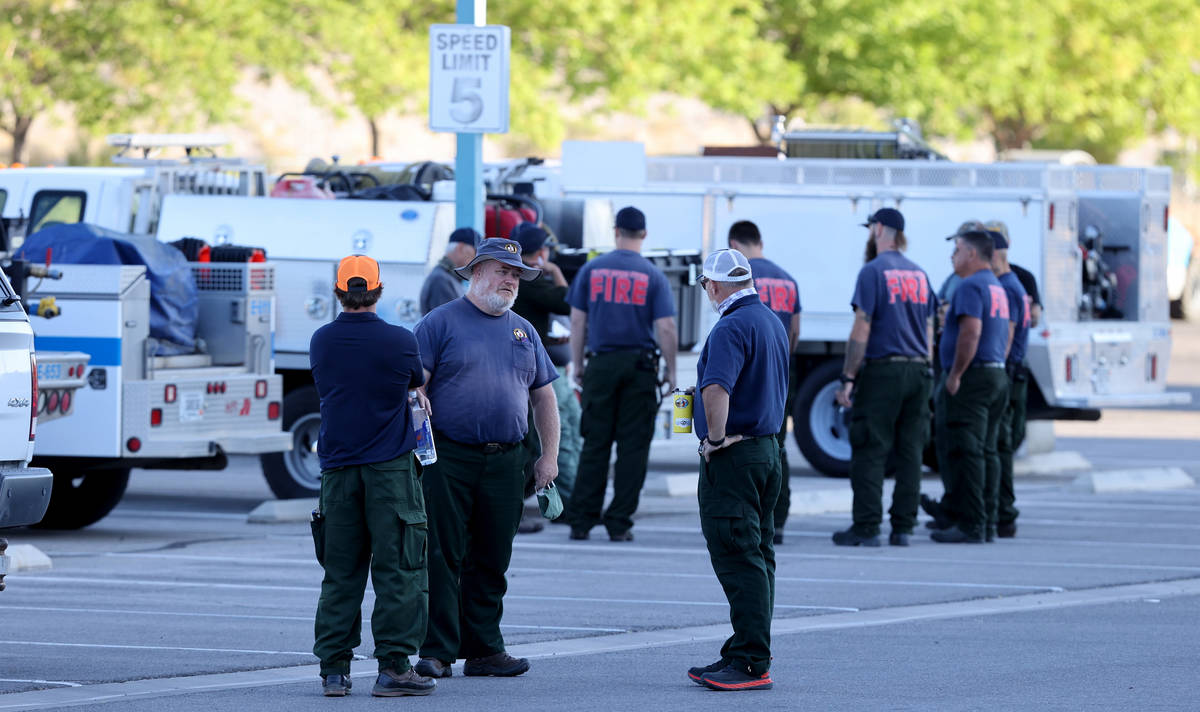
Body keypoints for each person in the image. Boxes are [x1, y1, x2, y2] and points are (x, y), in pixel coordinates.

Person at [413, 238, 560, 679]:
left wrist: (548, 459)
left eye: (516, 273)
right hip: (449, 458)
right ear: (475, 272)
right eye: (502, 270)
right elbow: (413, 385)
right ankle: (437, 650)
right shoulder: (439, 324)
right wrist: (416, 395)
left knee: (493, 556)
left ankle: (484, 650)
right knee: (442, 555)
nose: (511, 279)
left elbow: (545, 398)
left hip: (506, 461)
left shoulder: (524, 330)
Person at [309, 255, 436, 697]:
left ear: (339, 290)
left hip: (338, 471)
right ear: (379, 290)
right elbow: (415, 378)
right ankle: (394, 668)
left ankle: (334, 671)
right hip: (389, 472)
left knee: (341, 572)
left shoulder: (321, 341)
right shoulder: (399, 341)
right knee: (398, 569)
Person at [687, 248, 788, 691]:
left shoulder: (730, 326)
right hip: (767, 450)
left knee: (738, 556)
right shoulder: (770, 321)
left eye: (707, 285)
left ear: (714, 284)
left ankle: (749, 661)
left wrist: (714, 438)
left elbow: (716, 388)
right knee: (758, 555)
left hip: (736, 456)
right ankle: (746, 648)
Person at [567, 206, 677, 542]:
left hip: (601, 365)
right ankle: (619, 522)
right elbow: (667, 327)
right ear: (643, 235)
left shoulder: (592, 270)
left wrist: (579, 364)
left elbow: (577, 321)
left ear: (616, 232)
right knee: (633, 448)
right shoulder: (653, 275)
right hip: (639, 368)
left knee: (595, 444)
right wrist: (671, 371)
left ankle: (582, 521)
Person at [832, 208, 936, 548]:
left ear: (878, 229)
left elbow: (862, 326)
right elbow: (931, 328)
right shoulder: (920, 274)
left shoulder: (873, 271)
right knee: (910, 452)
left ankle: (866, 526)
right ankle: (903, 528)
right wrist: (928, 368)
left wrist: (848, 376)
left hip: (884, 371)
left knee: (870, 448)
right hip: (919, 369)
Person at [928, 229, 1010, 544]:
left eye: (957, 250)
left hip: (973, 376)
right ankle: (986, 521)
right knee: (987, 450)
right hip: (994, 373)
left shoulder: (970, 285)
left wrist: (956, 374)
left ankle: (972, 523)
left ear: (972, 254)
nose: (953, 256)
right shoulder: (995, 285)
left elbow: (971, 333)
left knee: (968, 451)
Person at [727, 220, 800, 545]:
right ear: (760, 241)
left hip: (746, 374)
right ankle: (777, 519)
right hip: (780, 372)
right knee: (777, 447)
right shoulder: (788, 278)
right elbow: (795, 331)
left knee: (742, 445)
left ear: (734, 244)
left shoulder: (740, 276)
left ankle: (746, 518)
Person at [510, 222, 581, 512]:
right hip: (532, 375)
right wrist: (555, 272)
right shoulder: (532, 279)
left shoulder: (522, 281)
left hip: (532, 368)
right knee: (553, 436)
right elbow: (566, 303)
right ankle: (565, 501)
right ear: (541, 251)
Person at [985, 221, 1031, 539]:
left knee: (999, 447)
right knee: (1000, 447)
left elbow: (1007, 334)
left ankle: (1003, 513)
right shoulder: (1013, 284)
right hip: (1012, 373)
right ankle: (1002, 512)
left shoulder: (1008, 287)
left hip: (1008, 373)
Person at [419, 227, 479, 315]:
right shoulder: (441, 281)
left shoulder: (449, 278)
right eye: (475, 253)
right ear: (461, 248)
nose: (476, 260)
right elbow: (450, 324)